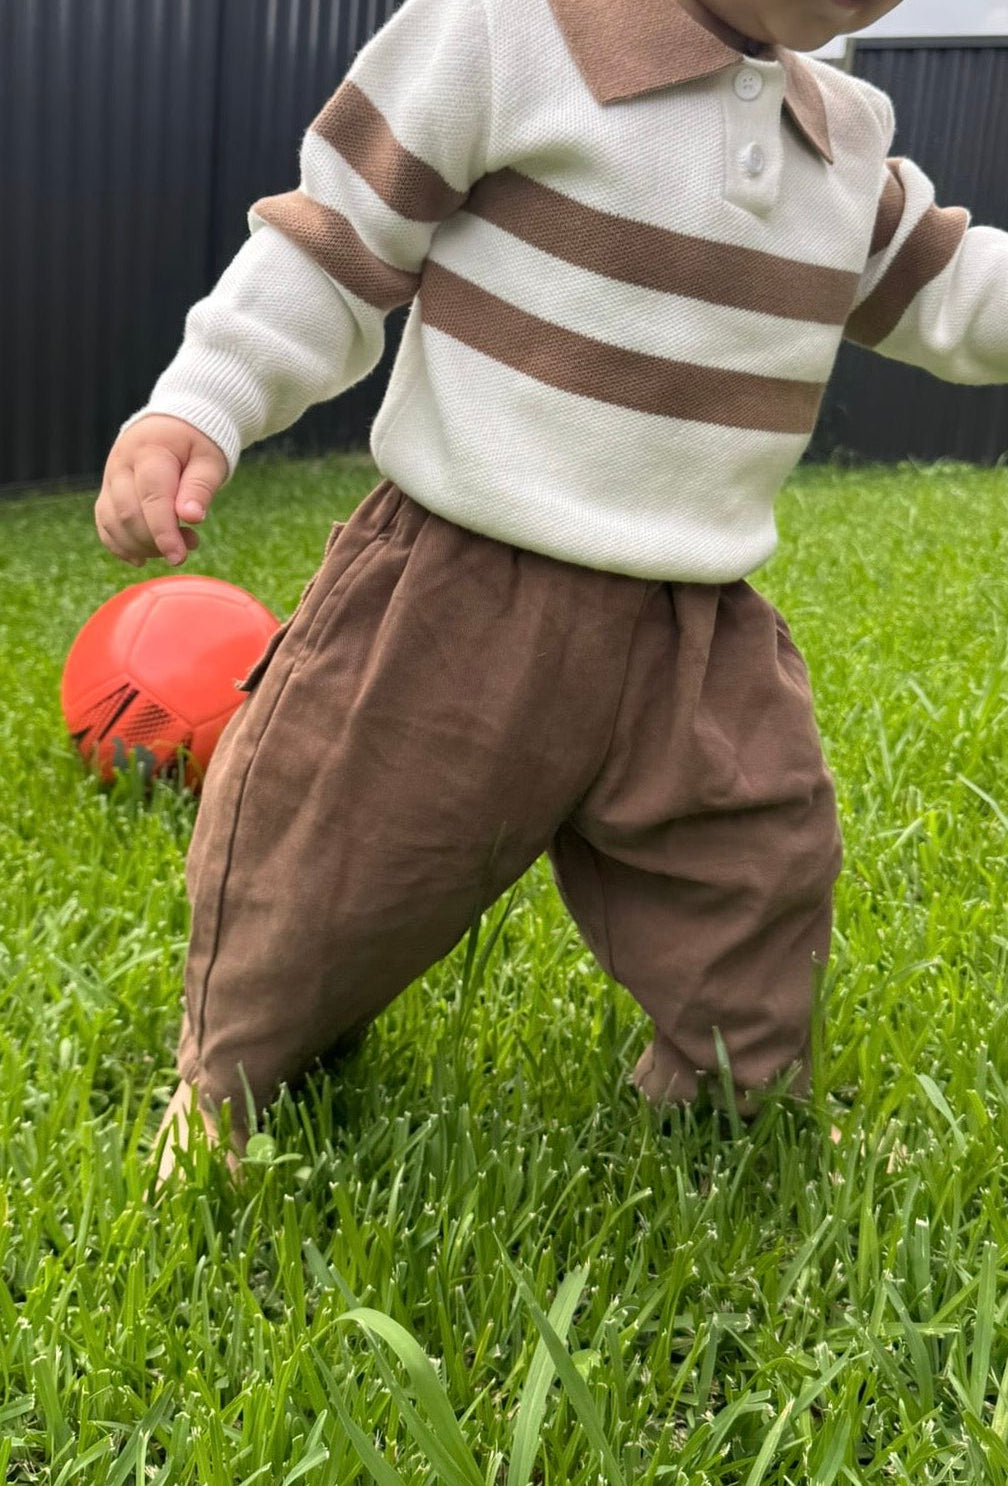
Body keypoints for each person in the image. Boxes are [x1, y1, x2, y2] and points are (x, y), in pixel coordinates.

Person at [95, 0, 1008, 1180]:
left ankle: (732, 1095)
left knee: (758, 866)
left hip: (699, 620)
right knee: (329, 850)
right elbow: (332, 240)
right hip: (463, 583)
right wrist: (200, 400)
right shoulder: (505, 34)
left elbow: (949, 288)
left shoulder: (837, 136)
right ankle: (230, 1080)